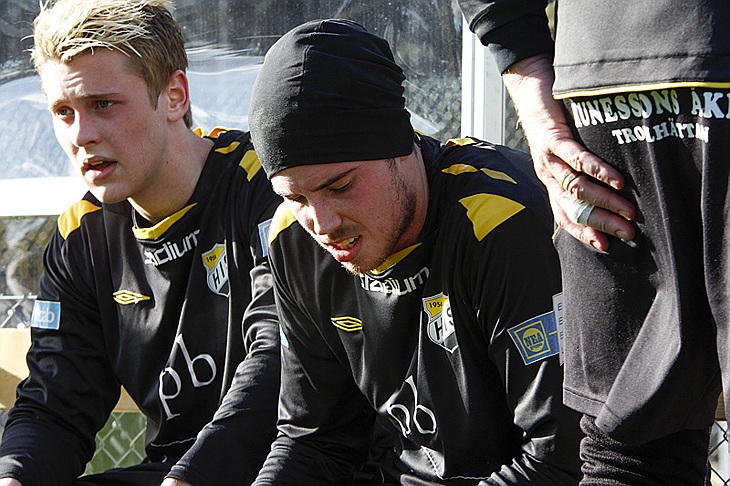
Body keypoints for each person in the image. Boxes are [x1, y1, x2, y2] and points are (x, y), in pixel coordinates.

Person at [247, 18, 582, 485]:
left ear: (400, 145)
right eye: (296, 197)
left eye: (340, 187)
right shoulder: (293, 238)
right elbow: (316, 440)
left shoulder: (501, 224)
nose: (322, 225)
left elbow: (561, 459)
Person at [0, 0, 281, 485]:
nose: (81, 135)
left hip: (290, 465)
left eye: (103, 105)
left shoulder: (270, 190)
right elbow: (55, 404)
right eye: (63, 112)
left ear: (174, 96)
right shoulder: (81, 236)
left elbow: (280, 360)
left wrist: (191, 476)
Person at [458, 0, 730, 483]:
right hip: (603, 101)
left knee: (631, 446)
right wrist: (536, 101)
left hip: (601, 87)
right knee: (628, 446)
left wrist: (531, 83)